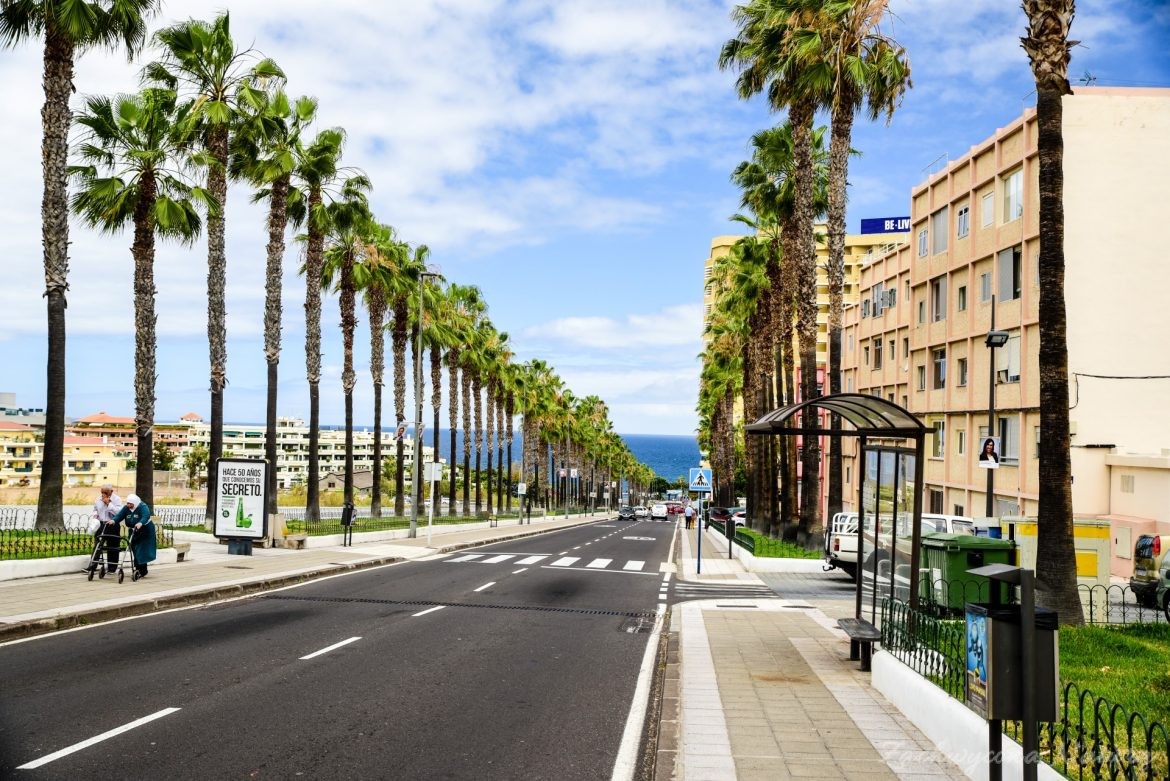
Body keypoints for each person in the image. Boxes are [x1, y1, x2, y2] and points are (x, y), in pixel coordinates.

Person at [113, 493, 156, 578]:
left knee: (141, 550)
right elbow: (120, 515)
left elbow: (146, 516)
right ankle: (138, 569)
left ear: (135, 503)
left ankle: (142, 570)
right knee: (134, 549)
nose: (129, 505)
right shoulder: (126, 508)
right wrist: (113, 520)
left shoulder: (142, 506)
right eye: (128, 503)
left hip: (145, 530)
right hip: (133, 530)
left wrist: (140, 523)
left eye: (130, 504)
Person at [88, 484, 122, 574]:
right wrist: (95, 515)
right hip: (101, 524)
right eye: (102, 492)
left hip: (112, 524)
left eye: (106, 492)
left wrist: (108, 503)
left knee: (112, 546)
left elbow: (118, 513)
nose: (103, 494)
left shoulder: (117, 499)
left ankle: (112, 568)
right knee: (98, 545)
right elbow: (95, 509)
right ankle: (92, 566)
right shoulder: (98, 499)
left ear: (111, 491)